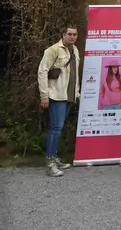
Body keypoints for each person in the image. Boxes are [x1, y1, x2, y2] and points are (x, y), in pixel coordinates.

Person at [37, 24, 81, 177]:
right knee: (56, 128)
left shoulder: (75, 50)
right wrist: (44, 95)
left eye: (74, 34)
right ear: (63, 35)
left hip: (69, 95)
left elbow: (75, 74)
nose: (72, 37)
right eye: (69, 34)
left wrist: (77, 93)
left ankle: (55, 158)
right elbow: (42, 71)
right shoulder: (53, 50)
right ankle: (50, 163)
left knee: (58, 129)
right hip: (56, 95)